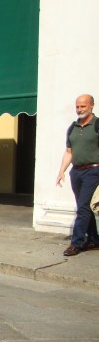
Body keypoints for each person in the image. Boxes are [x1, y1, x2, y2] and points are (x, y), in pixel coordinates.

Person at [56, 93, 99, 256]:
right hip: (76, 172)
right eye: (77, 106)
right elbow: (69, 152)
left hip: (93, 171)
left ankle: (77, 243)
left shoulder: (97, 124)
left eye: (83, 106)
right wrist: (62, 171)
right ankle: (95, 240)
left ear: (91, 106)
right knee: (85, 207)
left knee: (82, 207)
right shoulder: (72, 127)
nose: (79, 109)